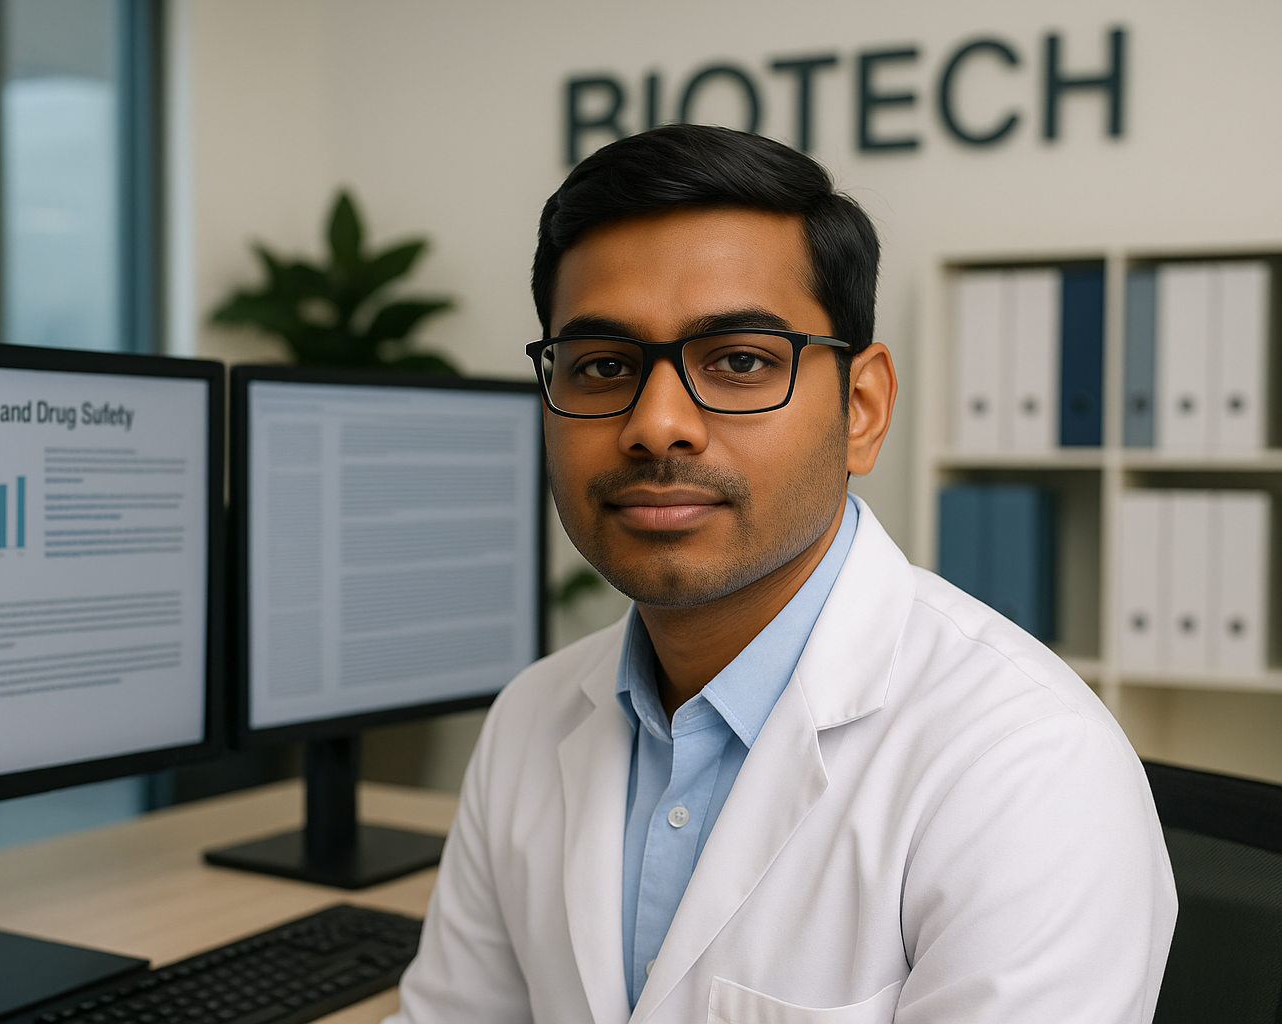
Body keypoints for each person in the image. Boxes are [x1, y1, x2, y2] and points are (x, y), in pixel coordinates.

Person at [387, 124, 1175, 1024]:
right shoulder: (530, 715)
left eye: (739, 362)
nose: (657, 425)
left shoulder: (1028, 767)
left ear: (863, 409)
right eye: (603, 366)